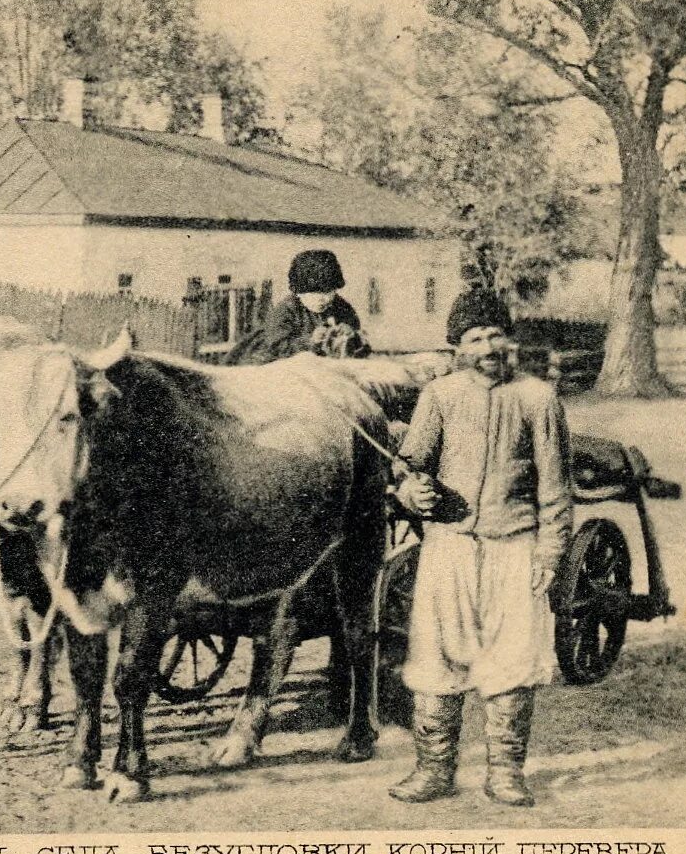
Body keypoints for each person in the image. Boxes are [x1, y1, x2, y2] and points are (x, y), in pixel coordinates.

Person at [388, 286, 573, 807]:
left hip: (514, 546)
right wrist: (411, 490)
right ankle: (433, 771)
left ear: (509, 339)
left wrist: (551, 553)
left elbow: (556, 489)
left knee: (512, 660)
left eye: (495, 334)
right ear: (458, 348)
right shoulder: (440, 396)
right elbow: (410, 465)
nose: (488, 346)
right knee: (434, 660)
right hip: (449, 546)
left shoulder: (538, 398)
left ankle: (506, 773)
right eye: (475, 338)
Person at [226, 249, 369, 366]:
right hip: (274, 360)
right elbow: (276, 347)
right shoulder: (286, 309)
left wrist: (352, 337)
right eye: (311, 293)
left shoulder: (343, 308)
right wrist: (310, 341)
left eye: (327, 292)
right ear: (298, 292)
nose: (320, 298)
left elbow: (362, 350)